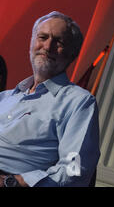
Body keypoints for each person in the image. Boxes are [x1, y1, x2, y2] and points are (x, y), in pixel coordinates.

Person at [0, 11, 100, 187]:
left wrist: (13, 183)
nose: (47, 46)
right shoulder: (4, 97)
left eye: (58, 42)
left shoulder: (79, 103)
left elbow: (74, 170)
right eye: (43, 37)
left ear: (72, 54)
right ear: (31, 44)